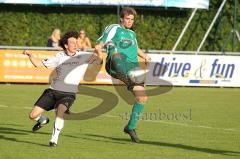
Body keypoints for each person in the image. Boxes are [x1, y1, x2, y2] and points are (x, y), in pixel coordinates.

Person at [89, 7, 151, 143]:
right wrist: (98, 49)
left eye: (132, 20)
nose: (129, 22)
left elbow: (136, 48)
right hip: (115, 63)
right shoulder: (115, 28)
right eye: (127, 19)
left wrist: (145, 56)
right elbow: (103, 40)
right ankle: (129, 80)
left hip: (132, 68)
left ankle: (130, 127)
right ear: (122, 18)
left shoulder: (132, 34)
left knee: (143, 98)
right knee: (117, 54)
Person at [23, 31, 89, 147]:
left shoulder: (83, 55)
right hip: (53, 91)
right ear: (66, 45)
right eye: (72, 42)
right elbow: (38, 64)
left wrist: (100, 52)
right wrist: (30, 55)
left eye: (76, 42)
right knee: (32, 115)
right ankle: (43, 120)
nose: (75, 44)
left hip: (69, 93)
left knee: (60, 111)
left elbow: (99, 60)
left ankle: (54, 140)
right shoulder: (59, 57)